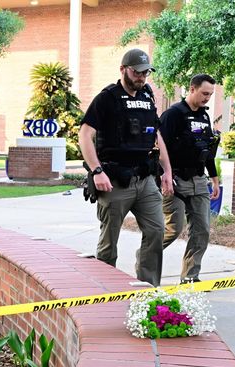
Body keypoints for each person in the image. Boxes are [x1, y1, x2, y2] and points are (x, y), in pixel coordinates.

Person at [79, 48, 173, 287]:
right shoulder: (107, 98)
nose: (141, 77)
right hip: (115, 181)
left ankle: (147, 287)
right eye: (137, 72)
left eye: (145, 73)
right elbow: (84, 135)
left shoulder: (148, 96)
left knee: (156, 231)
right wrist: (96, 171)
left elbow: (156, 136)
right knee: (109, 241)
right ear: (123, 70)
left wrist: (167, 171)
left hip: (144, 179)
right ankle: (105, 289)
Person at [159, 74, 220, 283]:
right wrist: (164, 176)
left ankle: (190, 277)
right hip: (175, 179)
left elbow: (206, 149)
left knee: (202, 229)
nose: (207, 98)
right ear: (192, 89)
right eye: (204, 93)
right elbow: (159, 148)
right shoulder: (173, 115)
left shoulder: (204, 116)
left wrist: (214, 178)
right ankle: (146, 257)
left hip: (198, 179)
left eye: (210, 94)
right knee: (173, 229)